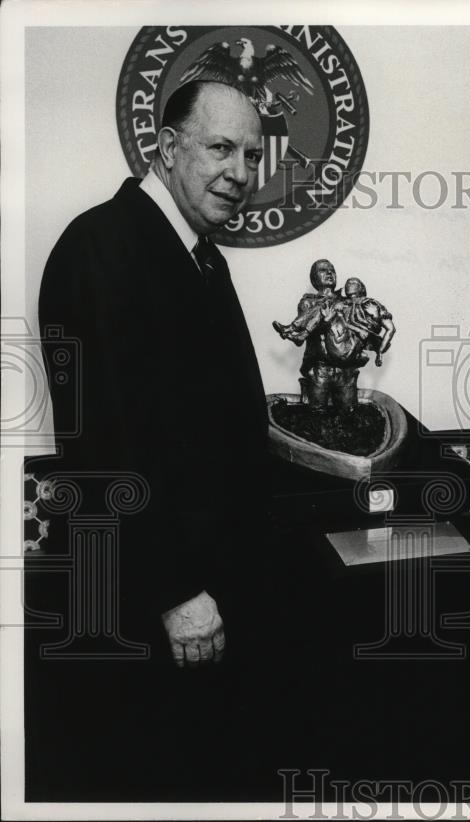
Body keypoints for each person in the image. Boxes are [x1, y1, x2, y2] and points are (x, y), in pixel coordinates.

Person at [32, 80, 287, 798]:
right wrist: (176, 593)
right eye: (219, 148)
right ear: (167, 148)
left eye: (250, 154)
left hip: (200, 608)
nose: (239, 171)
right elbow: (106, 446)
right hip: (144, 612)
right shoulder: (102, 247)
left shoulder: (202, 258)